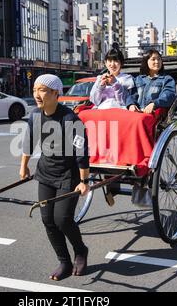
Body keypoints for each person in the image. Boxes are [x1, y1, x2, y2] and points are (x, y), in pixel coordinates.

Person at [20, 74, 90, 281]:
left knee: (63, 219)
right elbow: (28, 141)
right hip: (46, 173)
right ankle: (64, 261)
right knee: (47, 220)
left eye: (42, 90)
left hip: (69, 175)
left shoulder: (70, 119)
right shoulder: (35, 115)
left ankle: (80, 250)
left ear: (55, 93)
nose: (37, 95)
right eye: (35, 90)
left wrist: (84, 181)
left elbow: (82, 152)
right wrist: (23, 167)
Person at [126, 49, 176, 114]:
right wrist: (131, 104)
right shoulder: (138, 79)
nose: (157, 62)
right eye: (153, 59)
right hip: (137, 113)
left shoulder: (166, 79)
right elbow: (131, 95)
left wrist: (154, 103)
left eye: (159, 59)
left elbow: (168, 95)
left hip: (154, 115)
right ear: (146, 62)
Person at [90, 43, 134, 109]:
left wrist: (115, 84)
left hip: (119, 114)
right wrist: (100, 86)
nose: (112, 64)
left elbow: (123, 102)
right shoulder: (100, 78)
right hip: (101, 114)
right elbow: (95, 101)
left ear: (121, 63)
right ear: (105, 63)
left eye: (116, 61)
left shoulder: (127, 79)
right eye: (110, 61)